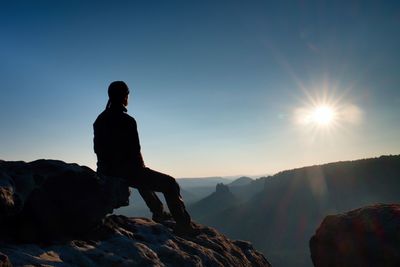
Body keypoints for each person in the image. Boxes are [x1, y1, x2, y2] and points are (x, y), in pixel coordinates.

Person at [93, 81, 198, 235]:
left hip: (106, 169)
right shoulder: (127, 121)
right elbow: (135, 151)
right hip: (124, 170)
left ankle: (159, 212)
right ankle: (184, 226)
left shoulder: (100, 120)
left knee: (142, 177)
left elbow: (98, 149)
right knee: (170, 184)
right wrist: (140, 170)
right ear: (124, 97)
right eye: (127, 95)